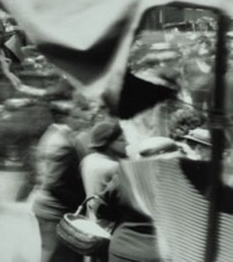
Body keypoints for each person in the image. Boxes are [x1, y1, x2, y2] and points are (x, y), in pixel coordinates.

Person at [93, 137, 181, 262]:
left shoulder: (126, 177)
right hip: (164, 254)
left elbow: (100, 208)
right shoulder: (184, 181)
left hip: (124, 251)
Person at [30, 106, 86, 262]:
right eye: (77, 117)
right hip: (54, 209)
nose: (81, 120)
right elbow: (54, 182)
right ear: (64, 118)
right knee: (55, 254)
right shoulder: (62, 143)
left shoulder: (53, 134)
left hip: (48, 207)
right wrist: (80, 202)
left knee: (50, 252)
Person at [79, 118, 125, 211]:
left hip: (92, 217)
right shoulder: (113, 167)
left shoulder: (88, 159)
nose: (126, 143)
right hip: (110, 221)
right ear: (107, 143)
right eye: (121, 140)